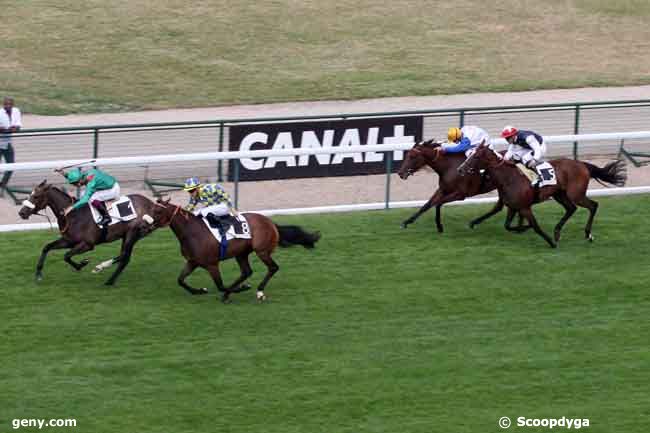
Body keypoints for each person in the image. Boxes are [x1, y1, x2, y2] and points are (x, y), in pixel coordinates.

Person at [56, 167, 120, 227]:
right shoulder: (84, 175)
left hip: (113, 190)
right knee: (82, 194)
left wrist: (72, 207)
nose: (76, 185)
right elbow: (74, 176)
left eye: (75, 184)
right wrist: (63, 173)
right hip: (107, 186)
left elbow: (85, 199)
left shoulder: (91, 183)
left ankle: (106, 217)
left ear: (79, 181)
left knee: (92, 198)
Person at [0, 97, 22, 189]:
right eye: (6, 104)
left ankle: (3, 185)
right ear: (3, 104)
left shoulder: (16, 111)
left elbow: (18, 126)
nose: (7, 106)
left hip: (8, 143)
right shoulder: (0, 113)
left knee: (11, 166)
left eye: (9, 104)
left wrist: (9, 129)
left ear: (13, 105)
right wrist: (8, 129)